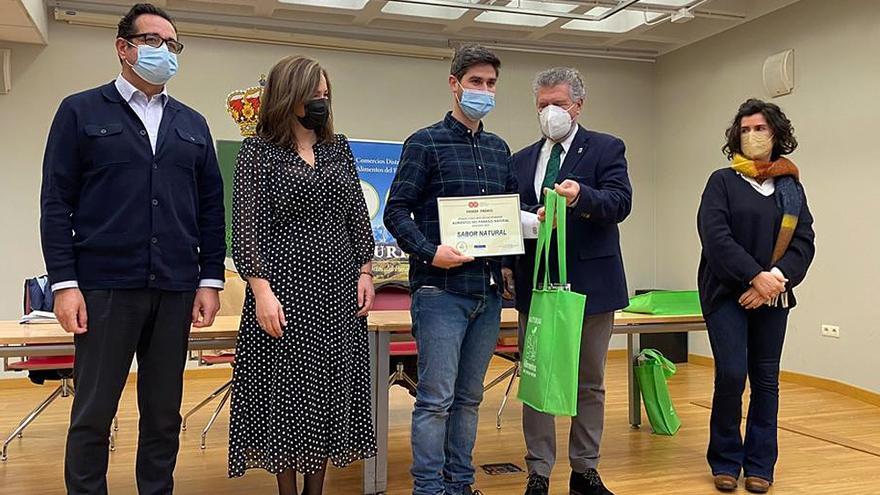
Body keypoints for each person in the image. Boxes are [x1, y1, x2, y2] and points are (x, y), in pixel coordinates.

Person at [39, 4, 226, 493]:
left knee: (164, 413)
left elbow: (210, 208)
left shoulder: (193, 124)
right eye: (153, 42)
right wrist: (64, 284)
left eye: (173, 45)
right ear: (124, 48)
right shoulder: (80, 111)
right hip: (104, 288)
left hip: (175, 287)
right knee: (94, 413)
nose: (164, 52)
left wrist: (210, 279)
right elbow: (56, 203)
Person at [228, 55, 377, 495]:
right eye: (314, 95)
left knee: (328, 392)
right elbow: (247, 227)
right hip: (284, 291)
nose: (321, 102)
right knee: (288, 396)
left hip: (337, 291)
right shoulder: (258, 152)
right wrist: (261, 292)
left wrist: (365, 269)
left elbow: (356, 216)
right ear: (289, 95)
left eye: (326, 95)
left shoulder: (338, 148)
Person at [384, 45, 515, 495]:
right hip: (441, 291)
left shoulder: (500, 150)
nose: (484, 91)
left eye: (491, 84)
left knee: (470, 399)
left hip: (488, 292)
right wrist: (427, 251)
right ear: (455, 83)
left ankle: (460, 484)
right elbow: (396, 211)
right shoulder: (425, 142)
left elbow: (510, 218)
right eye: (476, 82)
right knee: (435, 400)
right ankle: (429, 489)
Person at [509, 67, 632, 495]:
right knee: (536, 378)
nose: (549, 112)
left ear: (577, 105)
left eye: (558, 104)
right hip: (536, 285)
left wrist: (582, 196)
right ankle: (538, 471)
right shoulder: (521, 159)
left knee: (589, 382)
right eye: (542, 105)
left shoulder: (606, 148)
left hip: (592, 286)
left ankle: (584, 469)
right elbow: (512, 217)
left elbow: (620, 202)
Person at [697, 99, 815, 494]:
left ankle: (761, 464)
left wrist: (773, 280)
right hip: (725, 293)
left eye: (760, 128)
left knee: (766, 380)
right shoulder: (722, 181)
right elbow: (716, 239)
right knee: (732, 375)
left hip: (774, 296)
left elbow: (804, 242)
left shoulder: (790, 186)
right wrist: (753, 277)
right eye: (745, 130)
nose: (752, 136)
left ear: (777, 134)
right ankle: (726, 459)